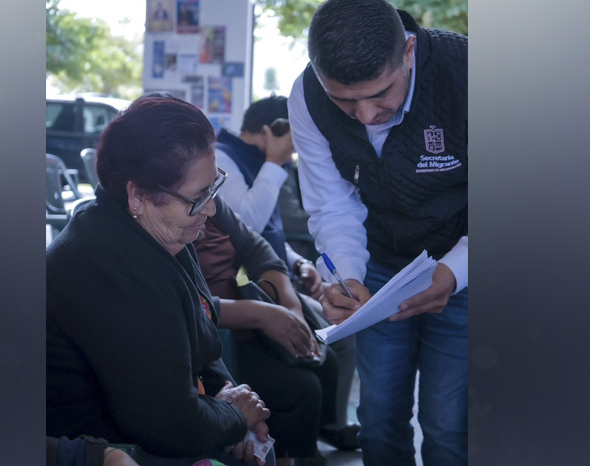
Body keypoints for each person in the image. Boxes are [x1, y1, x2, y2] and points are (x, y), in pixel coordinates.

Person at [47, 96, 275, 466]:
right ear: (138, 196)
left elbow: (203, 339)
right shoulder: (107, 267)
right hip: (111, 449)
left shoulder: (159, 233)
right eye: (199, 198)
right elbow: (168, 425)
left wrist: (233, 397)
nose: (211, 209)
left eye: (214, 187)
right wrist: (235, 416)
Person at [288, 0, 468, 465]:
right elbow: (332, 204)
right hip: (380, 269)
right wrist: (346, 277)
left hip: (465, 262)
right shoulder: (306, 96)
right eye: (345, 101)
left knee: (448, 423)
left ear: (408, 51)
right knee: (379, 417)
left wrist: (455, 270)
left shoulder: (469, 76)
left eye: (381, 93)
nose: (365, 115)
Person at [194, 196, 359, 465]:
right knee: (300, 387)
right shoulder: (170, 228)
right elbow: (192, 304)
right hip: (220, 336)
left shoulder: (210, 200)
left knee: (324, 359)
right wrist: (263, 314)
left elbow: (256, 247)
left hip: (249, 318)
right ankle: (290, 453)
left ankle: (306, 446)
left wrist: (291, 308)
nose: (211, 206)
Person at [214, 96, 323, 300]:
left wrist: (297, 263)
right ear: (269, 133)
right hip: (249, 290)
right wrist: (275, 160)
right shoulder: (221, 159)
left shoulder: (258, 161)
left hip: (277, 278)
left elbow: (268, 230)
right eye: (291, 145)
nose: (290, 156)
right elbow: (249, 224)